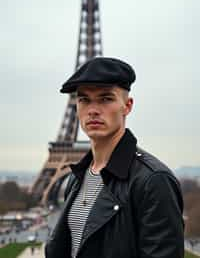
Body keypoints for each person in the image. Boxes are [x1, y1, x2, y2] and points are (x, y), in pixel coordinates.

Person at [45, 57, 184, 258]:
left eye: (105, 99)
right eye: (84, 99)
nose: (93, 110)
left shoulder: (154, 181)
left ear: (127, 106)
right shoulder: (77, 178)